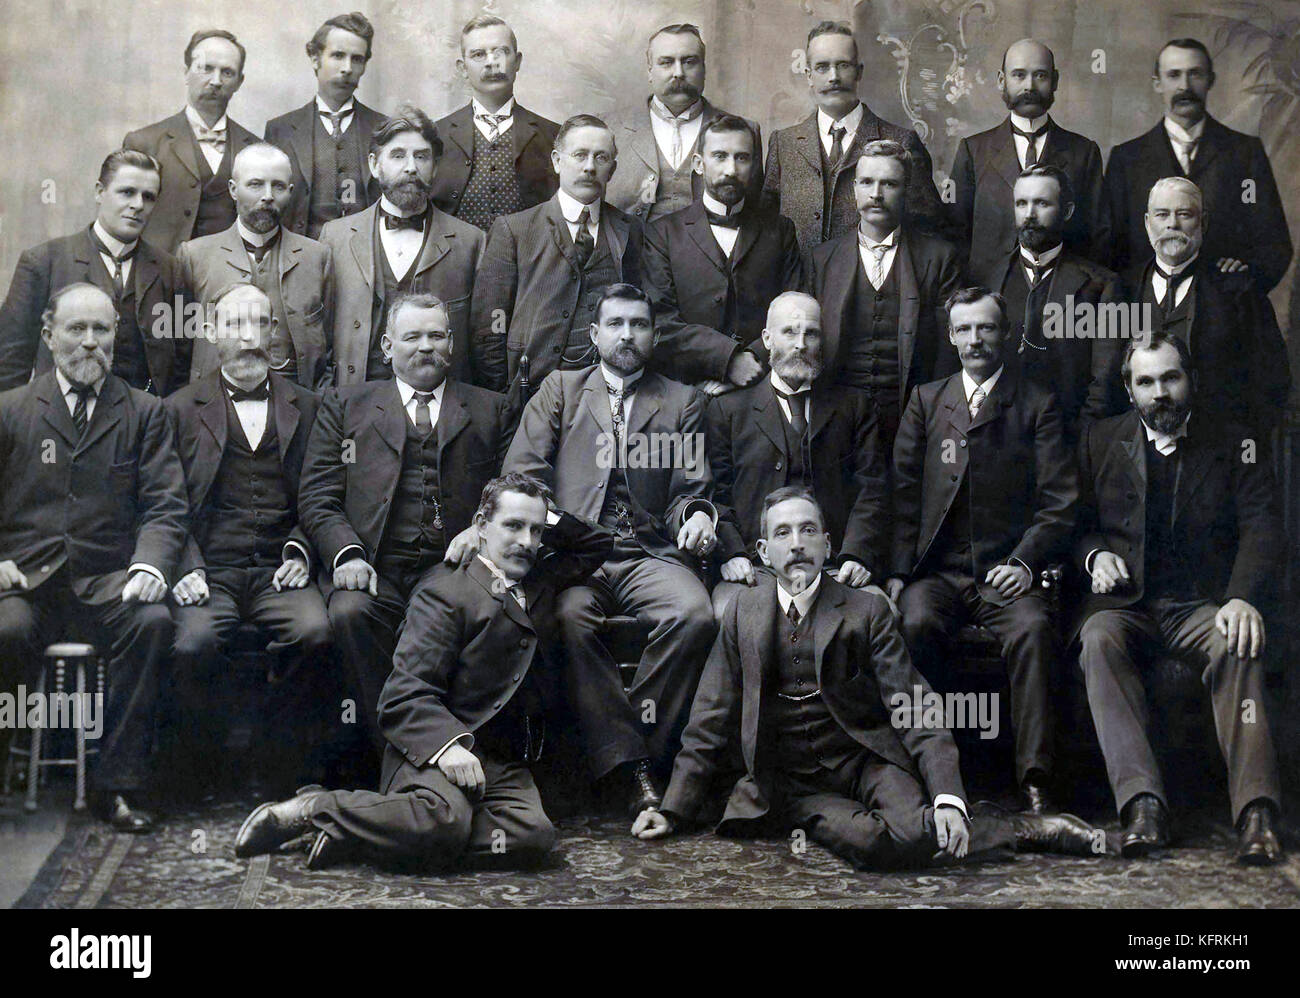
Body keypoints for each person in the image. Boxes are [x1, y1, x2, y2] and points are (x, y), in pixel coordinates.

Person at [632, 488, 1097, 868]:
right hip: (793, 783)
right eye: (783, 532)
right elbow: (710, 715)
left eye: (808, 530)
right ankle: (1002, 829)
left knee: (916, 828)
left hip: (865, 761)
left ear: (828, 545)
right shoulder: (742, 613)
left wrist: (950, 799)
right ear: (763, 551)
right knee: (875, 845)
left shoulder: (866, 609)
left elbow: (916, 707)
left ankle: (1008, 825)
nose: (796, 543)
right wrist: (671, 809)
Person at [234, 474, 613, 871]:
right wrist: (448, 748)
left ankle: (362, 837)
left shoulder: (539, 580)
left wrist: (547, 516)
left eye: (536, 531)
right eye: (513, 526)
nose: (526, 541)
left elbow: (597, 543)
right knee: (444, 821)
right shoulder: (444, 592)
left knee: (532, 837)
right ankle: (312, 808)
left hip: (498, 762)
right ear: (480, 526)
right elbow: (404, 694)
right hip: (430, 753)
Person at [1074, 333, 1285, 865]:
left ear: (1190, 380)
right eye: (1146, 382)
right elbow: (1076, 524)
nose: (1160, 393)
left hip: (1199, 603)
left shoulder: (1234, 441)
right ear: (1129, 389)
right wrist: (1096, 555)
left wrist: (1240, 598)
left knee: (1238, 642)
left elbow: (1263, 525)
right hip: (1129, 605)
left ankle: (1256, 815)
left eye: (1170, 378)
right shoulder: (1101, 439)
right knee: (1097, 639)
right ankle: (1143, 805)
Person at [504, 284, 717, 787]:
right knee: (569, 619)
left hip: (648, 553)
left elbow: (688, 489)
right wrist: (562, 532)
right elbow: (525, 478)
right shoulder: (560, 389)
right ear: (595, 334)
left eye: (638, 325)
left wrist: (696, 516)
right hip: (576, 557)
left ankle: (633, 748)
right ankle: (634, 769)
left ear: (655, 334)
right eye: (616, 325)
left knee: (694, 615)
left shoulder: (681, 400)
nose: (628, 335)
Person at [297, 291, 516, 776]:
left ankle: (453, 759)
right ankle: (405, 761)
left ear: (452, 344)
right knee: (350, 612)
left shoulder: (490, 408)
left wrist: (479, 531)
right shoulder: (345, 405)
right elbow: (318, 496)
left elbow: (513, 493)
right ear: (386, 346)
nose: (425, 347)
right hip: (375, 567)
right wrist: (347, 555)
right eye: (412, 337)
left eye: (436, 335)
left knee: (482, 613)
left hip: (451, 569)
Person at [0, 283, 188, 832]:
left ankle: (116, 785)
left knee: (152, 622)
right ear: (48, 335)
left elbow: (165, 505)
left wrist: (150, 566)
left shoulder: (143, 411)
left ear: (116, 336)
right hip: (26, 581)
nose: (89, 343)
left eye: (101, 330)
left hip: (107, 580)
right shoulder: (11, 410)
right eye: (76, 330)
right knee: (4, 630)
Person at [888, 287, 1077, 814]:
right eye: (965, 329)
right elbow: (903, 495)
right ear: (951, 337)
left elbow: (1060, 501)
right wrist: (900, 574)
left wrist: (1024, 562)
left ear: (1007, 334)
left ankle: (1035, 778)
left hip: (1005, 574)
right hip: (939, 574)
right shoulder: (927, 401)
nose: (976, 340)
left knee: (1035, 631)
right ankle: (934, 766)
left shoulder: (1036, 403)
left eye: (986, 328)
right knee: (914, 624)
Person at [164, 283, 331, 793]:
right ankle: (206, 766)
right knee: (193, 642)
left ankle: (281, 764)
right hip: (210, 569)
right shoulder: (177, 408)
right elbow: (165, 502)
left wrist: (303, 547)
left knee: (316, 633)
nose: (248, 336)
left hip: (280, 571)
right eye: (234, 325)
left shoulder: (310, 405)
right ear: (212, 334)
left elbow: (326, 492)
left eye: (259, 323)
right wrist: (185, 564)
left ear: (274, 333)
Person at [708, 292, 888, 619]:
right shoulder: (729, 409)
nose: (801, 344)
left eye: (811, 333)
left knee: (881, 613)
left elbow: (872, 489)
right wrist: (733, 553)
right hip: (757, 568)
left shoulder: (853, 406)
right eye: (789, 332)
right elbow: (716, 491)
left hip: (834, 567)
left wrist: (856, 555)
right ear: (767, 338)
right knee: (735, 615)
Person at [470, 115, 643, 395]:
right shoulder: (513, 230)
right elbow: (491, 324)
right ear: (557, 161)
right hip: (532, 393)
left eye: (601, 158)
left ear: (612, 170)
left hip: (610, 395)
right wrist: (503, 397)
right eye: (579, 155)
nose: (589, 167)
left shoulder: (631, 231)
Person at [1103, 38, 1291, 292]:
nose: (1185, 86)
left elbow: (1275, 244)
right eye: (1174, 75)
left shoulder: (1245, 154)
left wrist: (1243, 281)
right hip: (1146, 312)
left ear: (1210, 80)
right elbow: (1109, 248)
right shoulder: (1126, 159)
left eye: (1195, 74)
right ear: (1157, 83)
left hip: (1225, 314)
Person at [1111, 176, 1290, 438]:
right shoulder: (1121, 290)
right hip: (1140, 447)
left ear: (1203, 222)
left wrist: (1241, 441)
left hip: (1217, 447)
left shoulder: (1238, 289)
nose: (1173, 224)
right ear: (1148, 224)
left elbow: (1271, 377)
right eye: (1162, 215)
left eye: (1184, 214)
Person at [810, 142, 961, 449]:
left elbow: (949, 352)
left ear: (907, 189)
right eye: (867, 182)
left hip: (913, 416)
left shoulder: (940, 257)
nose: (876, 194)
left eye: (889, 184)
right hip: (839, 418)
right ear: (854, 190)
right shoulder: (821, 260)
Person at [319, 105, 484, 386]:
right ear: (374, 164)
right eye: (398, 155)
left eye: (421, 156)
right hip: (356, 400)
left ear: (435, 166)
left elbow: (481, 340)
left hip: (438, 409)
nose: (411, 167)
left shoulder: (470, 241)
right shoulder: (336, 237)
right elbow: (317, 334)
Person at [0, 150, 189, 395]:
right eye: (127, 192)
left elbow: (182, 364)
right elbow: (10, 363)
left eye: (148, 197)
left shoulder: (170, 270)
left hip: (143, 421)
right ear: (100, 192)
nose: (138, 205)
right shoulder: (44, 262)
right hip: (62, 421)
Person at [763, 20, 949, 265]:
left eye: (843, 65)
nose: (834, 77)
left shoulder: (902, 141)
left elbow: (929, 232)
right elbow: (766, 229)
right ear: (808, 75)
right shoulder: (783, 143)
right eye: (822, 67)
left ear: (859, 71)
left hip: (872, 294)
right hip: (798, 293)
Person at [642, 115, 802, 390]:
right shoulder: (662, 234)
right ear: (699, 164)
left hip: (760, 387)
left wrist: (752, 359)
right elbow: (660, 319)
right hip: (684, 389)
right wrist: (727, 360)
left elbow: (793, 312)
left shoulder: (780, 231)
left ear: (753, 165)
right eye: (720, 156)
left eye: (742, 158)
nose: (731, 169)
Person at [971, 164, 1124, 441]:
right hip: (998, 437)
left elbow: (1105, 380)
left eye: (1041, 203)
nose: (1029, 214)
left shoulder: (1103, 285)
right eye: (1021, 203)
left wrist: (1080, 437)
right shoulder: (986, 279)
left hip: (1070, 435)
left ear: (1066, 211)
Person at [177, 143, 335, 389]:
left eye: (278, 186)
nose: (268, 195)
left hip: (298, 402)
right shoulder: (195, 255)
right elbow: (179, 343)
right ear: (233, 189)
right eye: (255, 184)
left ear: (290, 192)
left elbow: (331, 346)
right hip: (215, 404)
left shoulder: (317, 256)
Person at [950, 39, 1110, 268]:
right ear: (1001, 80)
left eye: (1040, 76)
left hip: (1063, 292)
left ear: (1054, 81)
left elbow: (1098, 236)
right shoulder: (973, 151)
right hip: (989, 291)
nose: (1030, 87)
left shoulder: (1083, 153)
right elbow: (956, 233)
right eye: (1019, 75)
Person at [602, 23, 763, 224]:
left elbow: (755, 215)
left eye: (689, 62)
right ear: (649, 71)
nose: (678, 72)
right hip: (630, 253)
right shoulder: (609, 129)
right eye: (666, 62)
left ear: (703, 68)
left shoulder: (745, 132)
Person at [123, 29, 260, 253]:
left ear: (239, 82)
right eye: (206, 69)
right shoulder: (144, 143)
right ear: (186, 72)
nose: (216, 81)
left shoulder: (256, 149)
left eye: (227, 72)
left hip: (229, 277)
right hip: (160, 275)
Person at [429, 14, 559, 231]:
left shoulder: (554, 136)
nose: (491, 62)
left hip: (530, 261)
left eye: (501, 52)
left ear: (517, 62)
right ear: (462, 68)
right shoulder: (434, 136)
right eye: (479, 54)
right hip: (455, 261)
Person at [264, 12, 387, 239]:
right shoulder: (280, 130)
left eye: (357, 59)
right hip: (301, 257)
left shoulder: (384, 128)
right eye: (338, 55)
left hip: (367, 258)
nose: (347, 68)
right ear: (315, 58)